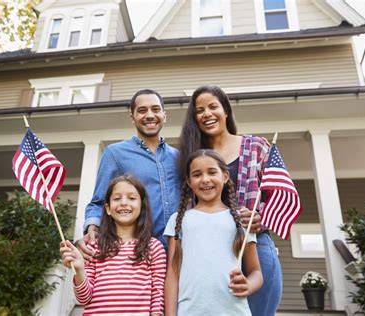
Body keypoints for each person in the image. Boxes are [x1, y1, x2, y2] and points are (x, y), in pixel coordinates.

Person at [177, 85, 283, 316]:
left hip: (255, 245)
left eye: (213, 106)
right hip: (210, 250)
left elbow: (277, 195)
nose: (207, 114)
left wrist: (260, 216)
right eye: (199, 110)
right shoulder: (194, 155)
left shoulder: (256, 146)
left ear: (225, 110)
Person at [76, 89, 180, 258]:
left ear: (164, 115)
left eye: (155, 109)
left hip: (179, 253)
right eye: (141, 110)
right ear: (132, 118)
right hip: (137, 255)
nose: (149, 115)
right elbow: (99, 202)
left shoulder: (179, 157)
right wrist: (92, 227)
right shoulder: (114, 154)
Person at [164, 149, 263, 315]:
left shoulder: (242, 219)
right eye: (197, 175)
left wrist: (248, 285)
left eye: (212, 172)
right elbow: (172, 274)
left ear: (225, 176)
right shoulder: (178, 220)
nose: (205, 179)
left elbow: (256, 272)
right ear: (188, 181)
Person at [60, 174, 167, 315]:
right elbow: (83, 298)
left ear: (142, 206)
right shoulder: (94, 247)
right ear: (108, 208)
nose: (123, 202)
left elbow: (157, 296)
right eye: (117, 198)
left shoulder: (154, 247)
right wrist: (79, 270)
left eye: (132, 198)